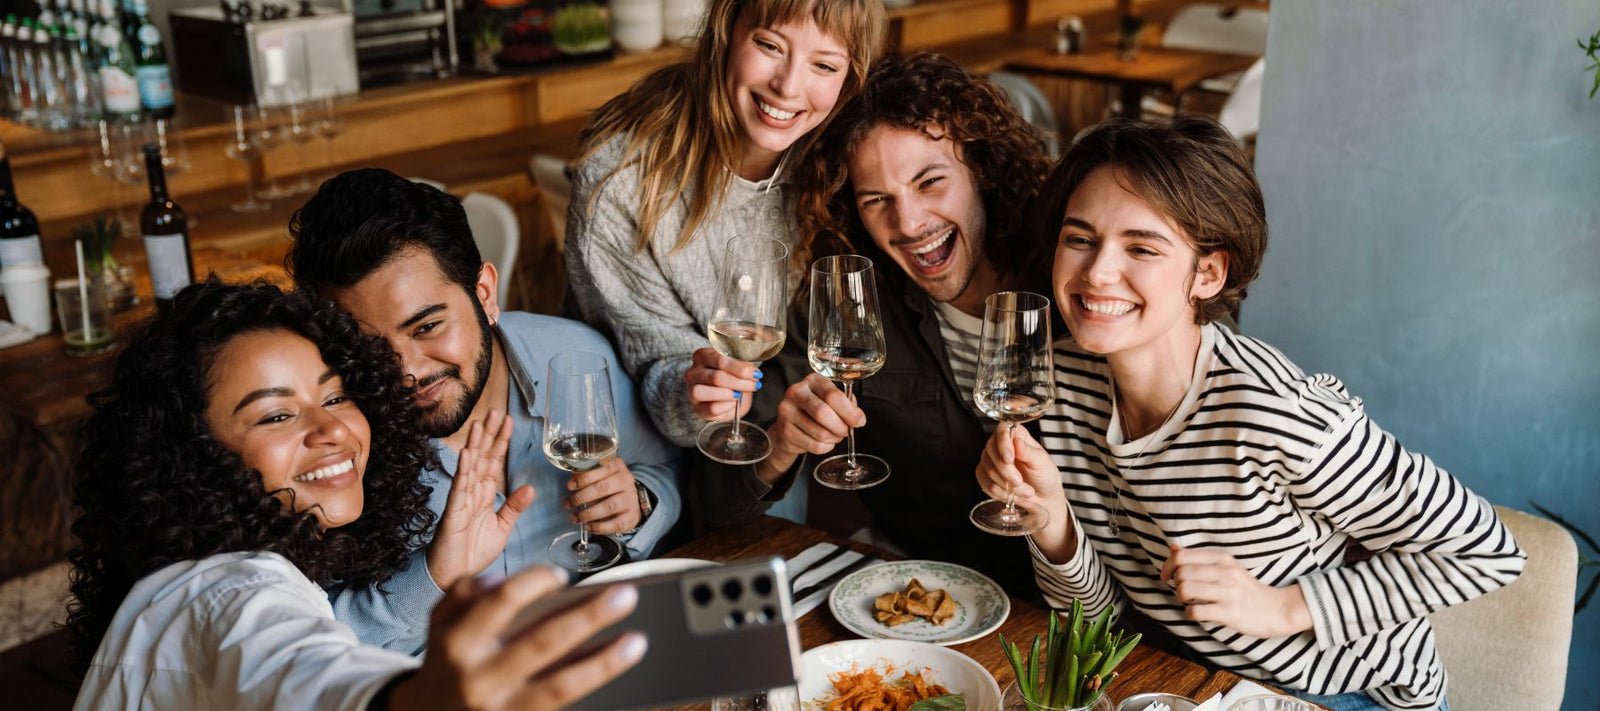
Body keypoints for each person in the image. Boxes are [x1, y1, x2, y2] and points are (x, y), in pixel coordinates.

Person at [976, 116, 1526, 711]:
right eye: (1079, 238)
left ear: (1207, 274)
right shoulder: (1059, 381)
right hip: (1195, 681)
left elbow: (1487, 549)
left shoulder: (1274, 412)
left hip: (1346, 694)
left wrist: (1285, 606)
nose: (1097, 272)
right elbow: (1099, 621)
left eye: (1141, 247)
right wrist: (1053, 522)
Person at [67, 280, 646, 711]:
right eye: (275, 415)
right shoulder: (230, 593)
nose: (332, 431)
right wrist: (413, 700)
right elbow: (304, 674)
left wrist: (438, 573)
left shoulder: (213, 573)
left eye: (338, 398)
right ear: (188, 454)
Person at [687, 52, 1056, 595]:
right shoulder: (848, 303)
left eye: (930, 182)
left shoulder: (1069, 287)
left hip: (1066, 605)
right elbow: (718, 508)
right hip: (918, 591)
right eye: (876, 199)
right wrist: (784, 442)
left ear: (982, 168)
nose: (908, 223)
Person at [286, 169, 681, 654]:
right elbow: (312, 651)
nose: (406, 371)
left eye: (427, 326)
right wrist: (432, 576)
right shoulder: (330, 448)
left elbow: (666, 470)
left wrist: (639, 502)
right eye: (368, 349)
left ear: (485, 293)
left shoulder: (578, 358)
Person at [564, 0, 888, 524]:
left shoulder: (838, 163)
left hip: (773, 455)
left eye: (823, 65)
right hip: (634, 476)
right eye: (769, 46)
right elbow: (649, 363)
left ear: (850, 79)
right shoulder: (621, 182)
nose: (787, 86)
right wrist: (696, 394)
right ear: (725, 31)